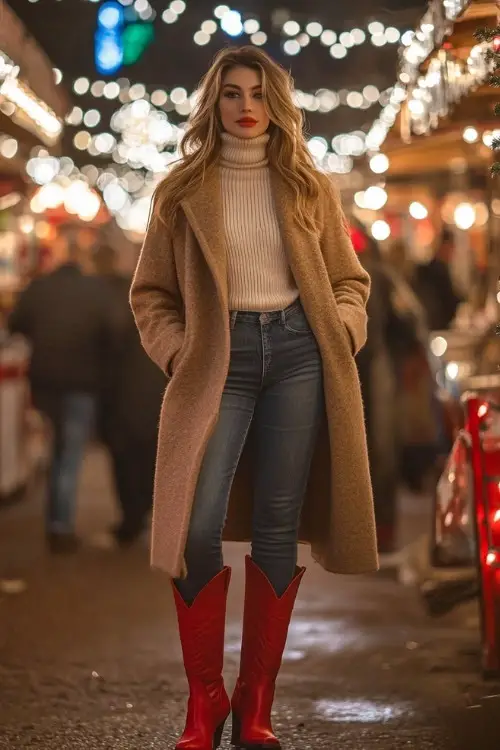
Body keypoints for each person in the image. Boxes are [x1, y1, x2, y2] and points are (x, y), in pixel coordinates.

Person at [131, 46, 378, 750]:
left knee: (277, 523)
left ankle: (256, 704)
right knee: (198, 524)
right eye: (233, 93)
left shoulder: (308, 186)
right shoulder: (180, 191)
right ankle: (205, 699)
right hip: (220, 360)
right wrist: (179, 350)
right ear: (214, 103)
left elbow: (349, 280)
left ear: (278, 104)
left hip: (300, 353)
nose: (246, 107)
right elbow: (150, 294)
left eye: (260, 94)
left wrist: (344, 328)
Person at [8, 226, 120, 554]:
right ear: (82, 258)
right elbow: (112, 335)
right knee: (68, 455)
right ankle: (60, 526)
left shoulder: (38, 288)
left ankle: (55, 520)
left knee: (49, 449)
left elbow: (16, 325)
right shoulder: (95, 291)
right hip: (82, 385)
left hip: (43, 382)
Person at [93, 245, 165, 548]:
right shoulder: (165, 298)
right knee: (150, 458)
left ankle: (131, 521)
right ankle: (143, 516)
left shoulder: (114, 295)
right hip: (154, 389)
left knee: (125, 459)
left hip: (122, 391)